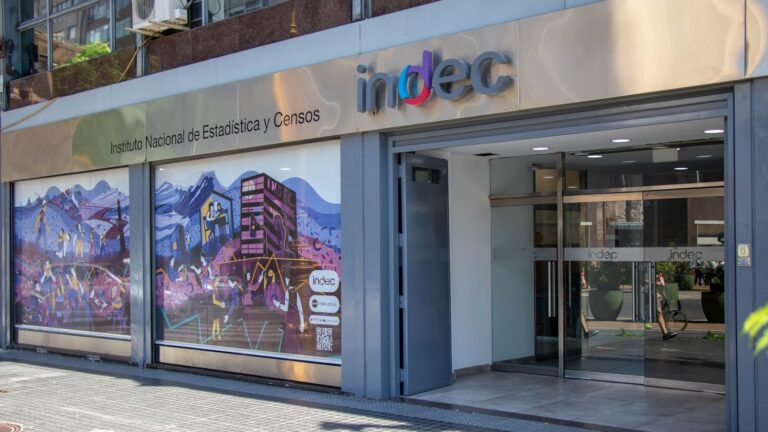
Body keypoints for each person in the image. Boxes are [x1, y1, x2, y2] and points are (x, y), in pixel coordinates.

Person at [656, 273, 678, 341]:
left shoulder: (650, 270)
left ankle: (665, 333)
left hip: (654, 295)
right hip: (650, 296)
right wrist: (656, 282)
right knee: (659, 313)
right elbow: (643, 280)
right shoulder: (645, 270)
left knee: (660, 313)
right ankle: (665, 333)